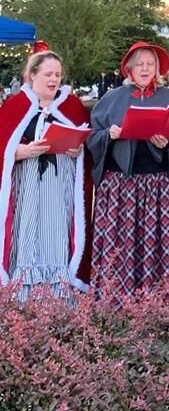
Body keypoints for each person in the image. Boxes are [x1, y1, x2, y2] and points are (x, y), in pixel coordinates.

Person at [87, 41, 169, 297]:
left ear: (157, 68)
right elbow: (91, 138)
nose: (145, 69)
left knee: (159, 247)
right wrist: (108, 135)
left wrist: (168, 145)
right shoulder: (112, 98)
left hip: (160, 188)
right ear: (129, 69)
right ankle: (116, 307)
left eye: (150, 64)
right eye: (140, 64)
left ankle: (162, 308)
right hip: (121, 187)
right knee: (120, 249)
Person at [0, 51, 92, 299]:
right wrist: (18, 151)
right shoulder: (14, 107)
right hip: (27, 186)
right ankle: (25, 302)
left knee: (57, 238)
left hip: (59, 186)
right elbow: (2, 146)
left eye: (58, 75)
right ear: (32, 76)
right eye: (48, 74)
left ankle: (60, 301)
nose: (54, 79)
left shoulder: (72, 107)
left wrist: (77, 151)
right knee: (28, 236)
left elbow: (87, 147)